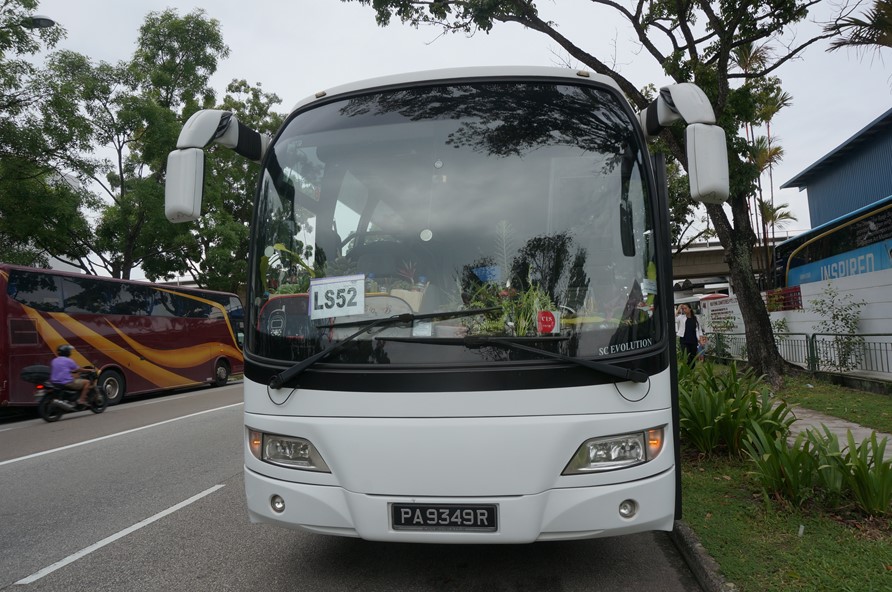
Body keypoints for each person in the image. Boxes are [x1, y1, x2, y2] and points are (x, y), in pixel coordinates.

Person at [676, 304, 704, 368]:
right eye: (683, 309)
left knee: (692, 357)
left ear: (690, 309)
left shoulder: (696, 318)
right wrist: (678, 309)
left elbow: (699, 329)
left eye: (685, 308)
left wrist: (701, 339)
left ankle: (691, 370)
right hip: (684, 340)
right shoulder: (681, 317)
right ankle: (688, 370)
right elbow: (672, 320)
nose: (684, 310)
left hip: (693, 340)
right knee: (687, 357)